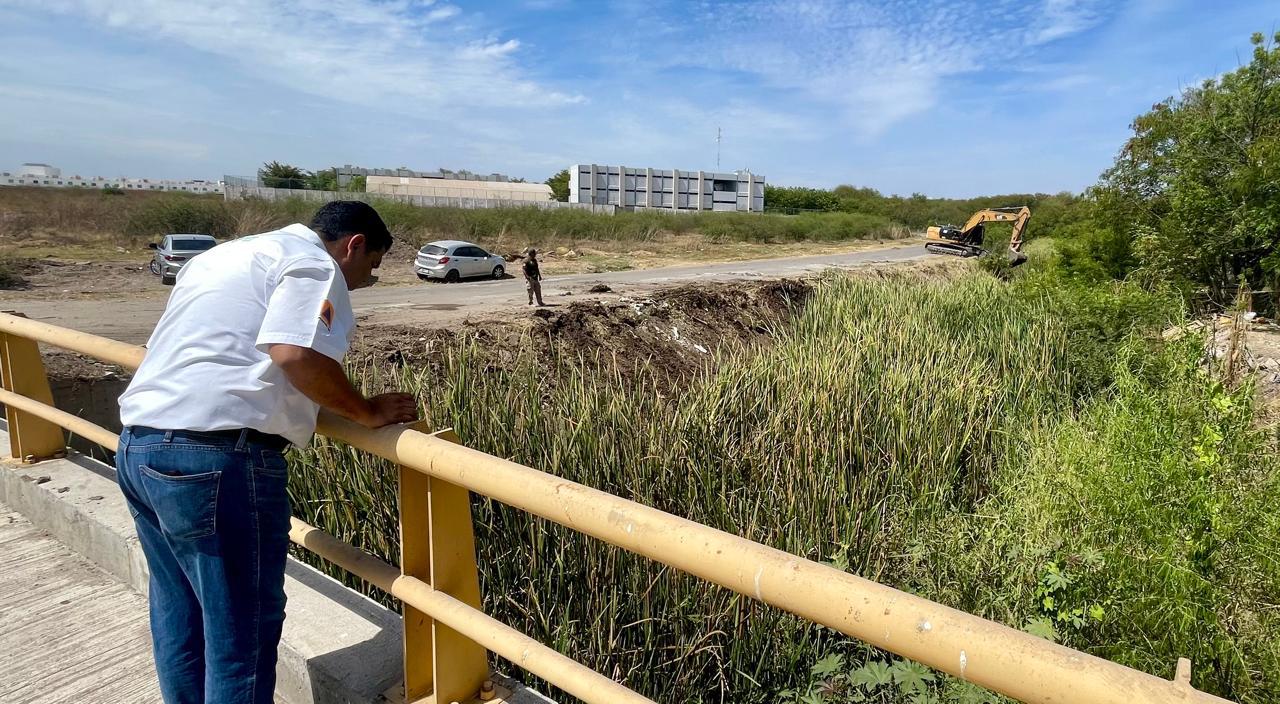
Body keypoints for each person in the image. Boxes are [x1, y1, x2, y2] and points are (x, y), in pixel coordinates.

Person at [114, 200, 419, 704]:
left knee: (180, 613)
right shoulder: (314, 264)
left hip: (140, 447)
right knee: (242, 632)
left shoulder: (223, 256)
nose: (368, 280)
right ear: (354, 245)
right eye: (371, 266)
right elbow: (294, 353)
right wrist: (366, 412)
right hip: (217, 460)